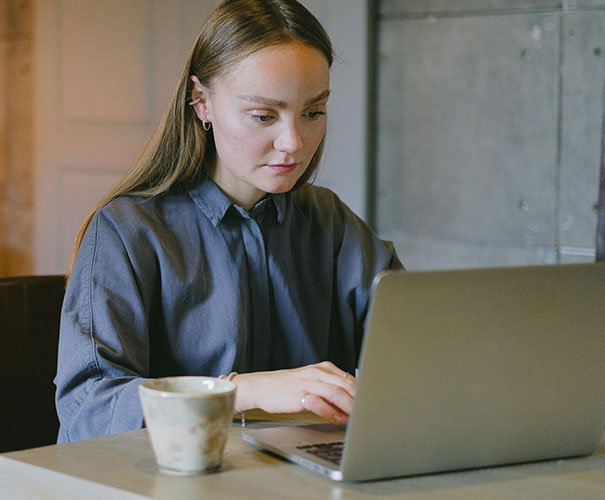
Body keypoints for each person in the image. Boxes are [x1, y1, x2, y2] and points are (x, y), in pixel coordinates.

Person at [54, 0, 403, 443]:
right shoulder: (126, 232)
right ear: (202, 104)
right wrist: (240, 390)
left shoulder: (330, 223)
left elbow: (415, 355)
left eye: (313, 113)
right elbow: (89, 408)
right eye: (263, 115)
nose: (293, 142)